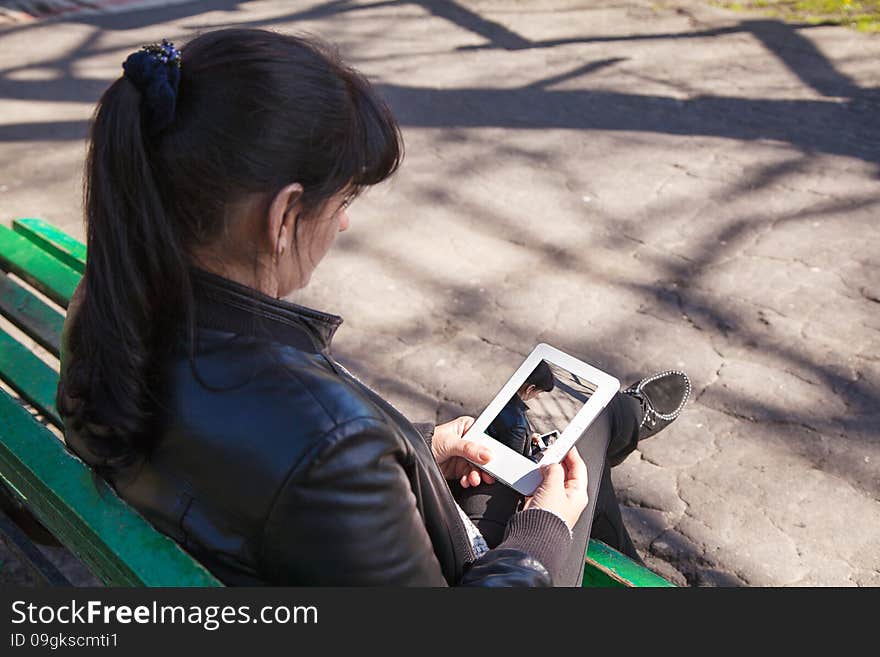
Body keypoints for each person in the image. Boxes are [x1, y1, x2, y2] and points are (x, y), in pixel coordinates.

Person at [56, 29, 690, 587]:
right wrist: (541, 536)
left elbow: (277, 474)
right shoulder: (330, 441)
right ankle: (619, 422)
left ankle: (615, 424)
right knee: (585, 439)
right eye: (344, 201)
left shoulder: (107, 306)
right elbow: (311, 459)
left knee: (528, 445)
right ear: (282, 216)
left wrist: (416, 451)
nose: (346, 226)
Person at [486, 361, 554, 456]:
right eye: (539, 392)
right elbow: (513, 463)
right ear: (530, 388)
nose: (537, 396)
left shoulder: (499, 394)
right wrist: (541, 456)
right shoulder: (518, 426)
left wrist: (529, 435)